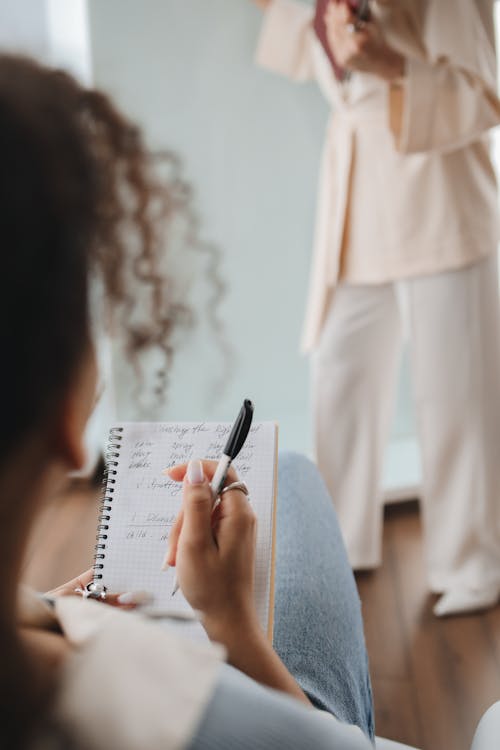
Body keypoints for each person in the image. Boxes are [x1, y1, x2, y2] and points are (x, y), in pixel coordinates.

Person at [2, 52, 378, 749]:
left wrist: (45, 610)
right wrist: (231, 622)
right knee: (290, 473)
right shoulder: (201, 723)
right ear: (65, 419)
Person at [252, 0, 500, 616]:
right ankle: (337, 547)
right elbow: (303, 52)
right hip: (358, 195)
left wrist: (389, 63)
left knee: (456, 391)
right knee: (340, 371)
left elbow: (487, 91)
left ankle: (474, 561)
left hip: (441, 193)